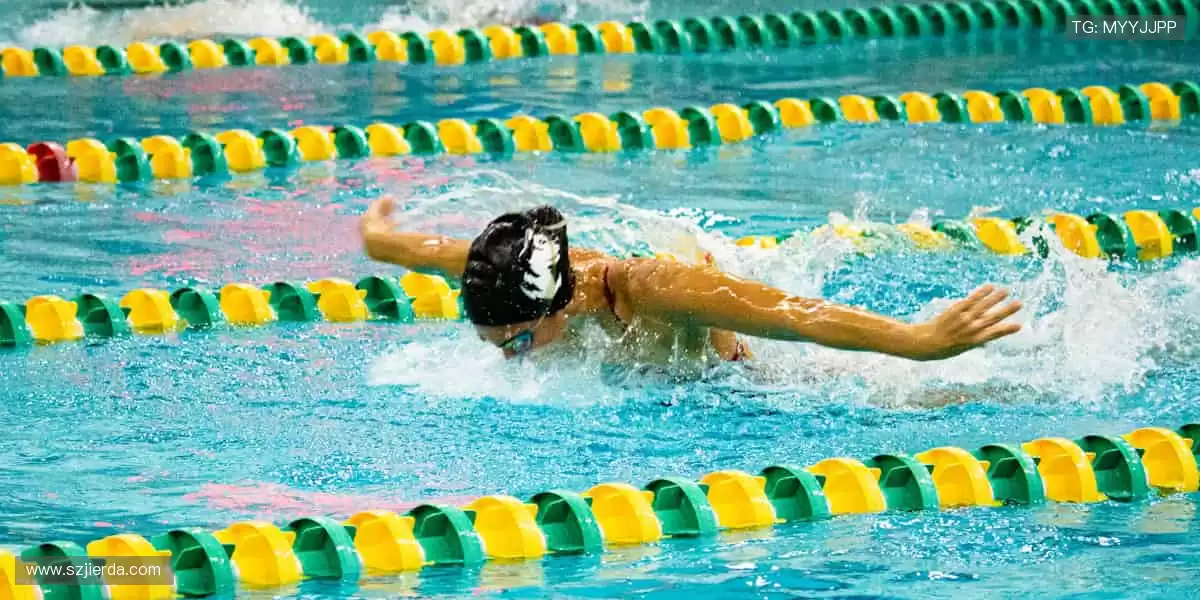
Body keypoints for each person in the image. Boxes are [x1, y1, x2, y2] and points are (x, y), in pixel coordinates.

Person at [359, 197, 1023, 365]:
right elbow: (417, 247)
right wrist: (376, 237)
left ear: (557, 307)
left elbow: (795, 313)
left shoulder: (650, 288)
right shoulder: (505, 276)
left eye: (520, 346)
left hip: (745, 380)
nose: (509, 360)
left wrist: (920, 340)